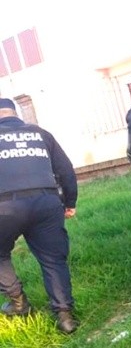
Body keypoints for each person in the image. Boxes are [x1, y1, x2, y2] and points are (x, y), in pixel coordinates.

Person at [0, 98, 79, 334]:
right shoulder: (40, 133)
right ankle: (65, 316)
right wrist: (70, 202)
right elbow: (65, 170)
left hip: (4, 207)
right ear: (15, 113)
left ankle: (18, 302)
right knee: (53, 259)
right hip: (46, 202)